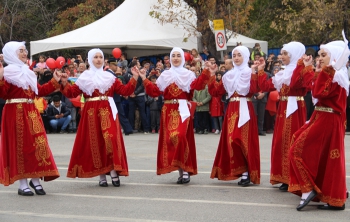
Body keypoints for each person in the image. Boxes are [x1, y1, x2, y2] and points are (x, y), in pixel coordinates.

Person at [58, 48, 138, 187]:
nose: (98, 59)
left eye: (101, 57)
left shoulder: (110, 76)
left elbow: (125, 91)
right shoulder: (84, 77)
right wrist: (64, 82)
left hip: (107, 110)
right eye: (95, 57)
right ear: (90, 59)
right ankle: (102, 175)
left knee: (110, 139)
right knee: (96, 142)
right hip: (91, 113)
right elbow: (71, 93)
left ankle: (113, 170)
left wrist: (135, 78)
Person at [288, 37, 349, 211]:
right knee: (325, 158)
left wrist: (321, 71)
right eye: (319, 55)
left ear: (335, 57)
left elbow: (319, 91)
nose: (319, 58)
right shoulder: (331, 74)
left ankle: (309, 190)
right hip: (322, 117)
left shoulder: (335, 75)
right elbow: (305, 84)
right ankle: (333, 195)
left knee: (297, 150)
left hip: (328, 119)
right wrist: (306, 67)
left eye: (324, 55)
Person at [139, 47, 217, 184]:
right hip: (168, 109)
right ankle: (181, 171)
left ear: (182, 58)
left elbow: (198, 86)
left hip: (182, 109)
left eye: (178, 56)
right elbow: (155, 91)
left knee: (180, 136)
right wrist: (144, 79)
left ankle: (186, 170)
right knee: (171, 140)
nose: (175, 58)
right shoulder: (165, 75)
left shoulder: (188, 75)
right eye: (173, 55)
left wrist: (206, 71)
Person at [0, 41, 60, 196]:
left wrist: (54, 81)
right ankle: (22, 184)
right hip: (15, 112)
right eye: (20, 50)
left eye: (25, 50)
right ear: (11, 53)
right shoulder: (6, 72)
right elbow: (3, 93)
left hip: (32, 113)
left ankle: (36, 180)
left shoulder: (29, 72)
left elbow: (38, 92)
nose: (24, 53)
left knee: (37, 145)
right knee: (21, 147)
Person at [257, 42, 311, 191]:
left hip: (295, 109)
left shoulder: (302, 70)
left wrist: (302, 66)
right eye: (282, 53)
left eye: (286, 53)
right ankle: (283, 176)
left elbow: (296, 84)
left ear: (294, 54)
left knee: (292, 140)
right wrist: (261, 71)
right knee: (281, 140)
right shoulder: (283, 71)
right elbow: (267, 86)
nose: (282, 56)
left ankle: (294, 177)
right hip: (284, 108)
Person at [208, 46, 261, 186]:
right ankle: (241, 171)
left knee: (243, 140)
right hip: (232, 109)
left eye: (239, 55)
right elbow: (216, 92)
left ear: (246, 56)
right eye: (234, 55)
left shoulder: (250, 72)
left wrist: (255, 73)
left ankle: (247, 172)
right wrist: (213, 75)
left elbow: (255, 89)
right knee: (232, 140)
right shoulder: (228, 75)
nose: (236, 58)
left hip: (245, 107)